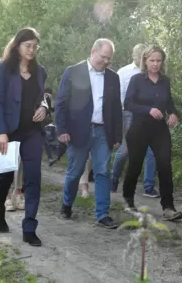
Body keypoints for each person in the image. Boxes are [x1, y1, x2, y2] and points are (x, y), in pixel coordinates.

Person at [55, 38, 122, 229]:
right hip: (78, 131)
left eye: (109, 58)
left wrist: (117, 136)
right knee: (75, 172)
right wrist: (62, 130)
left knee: (102, 172)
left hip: (102, 131)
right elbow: (61, 103)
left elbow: (116, 108)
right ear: (93, 52)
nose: (106, 61)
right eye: (103, 57)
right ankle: (67, 204)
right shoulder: (73, 72)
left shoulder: (113, 78)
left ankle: (102, 214)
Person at [0, 27, 49, 247]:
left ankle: (29, 227)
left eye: (35, 46)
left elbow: (44, 97)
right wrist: (2, 132)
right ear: (17, 46)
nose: (32, 50)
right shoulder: (3, 69)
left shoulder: (40, 71)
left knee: (33, 179)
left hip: (33, 132)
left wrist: (44, 107)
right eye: (28, 45)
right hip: (9, 131)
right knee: (4, 178)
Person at [122, 45, 182, 221]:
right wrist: (148, 109)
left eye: (158, 60)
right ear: (145, 61)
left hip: (159, 130)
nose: (155, 64)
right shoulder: (137, 80)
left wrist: (173, 113)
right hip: (139, 128)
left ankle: (168, 208)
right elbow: (128, 104)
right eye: (152, 60)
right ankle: (128, 201)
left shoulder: (165, 81)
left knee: (164, 165)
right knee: (135, 165)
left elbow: (169, 102)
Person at [111, 44, 159, 197]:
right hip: (129, 115)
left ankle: (148, 187)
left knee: (152, 151)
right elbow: (116, 97)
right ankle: (113, 179)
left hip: (149, 116)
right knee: (125, 150)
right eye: (141, 56)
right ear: (135, 56)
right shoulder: (124, 72)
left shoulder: (153, 74)